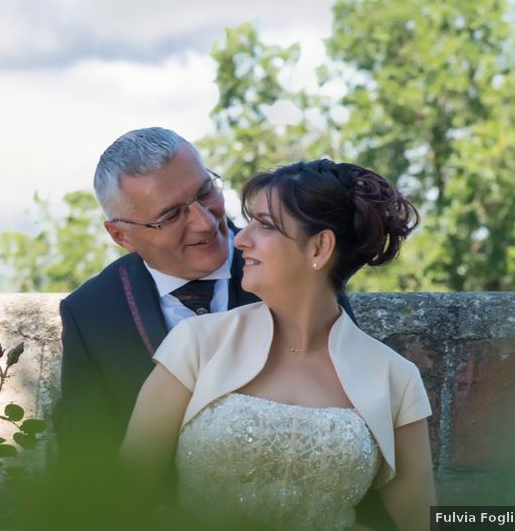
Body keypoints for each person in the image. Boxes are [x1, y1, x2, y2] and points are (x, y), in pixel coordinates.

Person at [119, 159, 435, 530]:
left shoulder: (396, 378)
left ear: (319, 248)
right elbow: (124, 496)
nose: (241, 239)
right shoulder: (196, 344)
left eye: (265, 225)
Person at [55, 128, 353, 458]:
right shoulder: (90, 313)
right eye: (170, 215)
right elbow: (85, 460)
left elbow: (354, 397)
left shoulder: (300, 266)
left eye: (205, 191)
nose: (203, 222)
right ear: (121, 235)